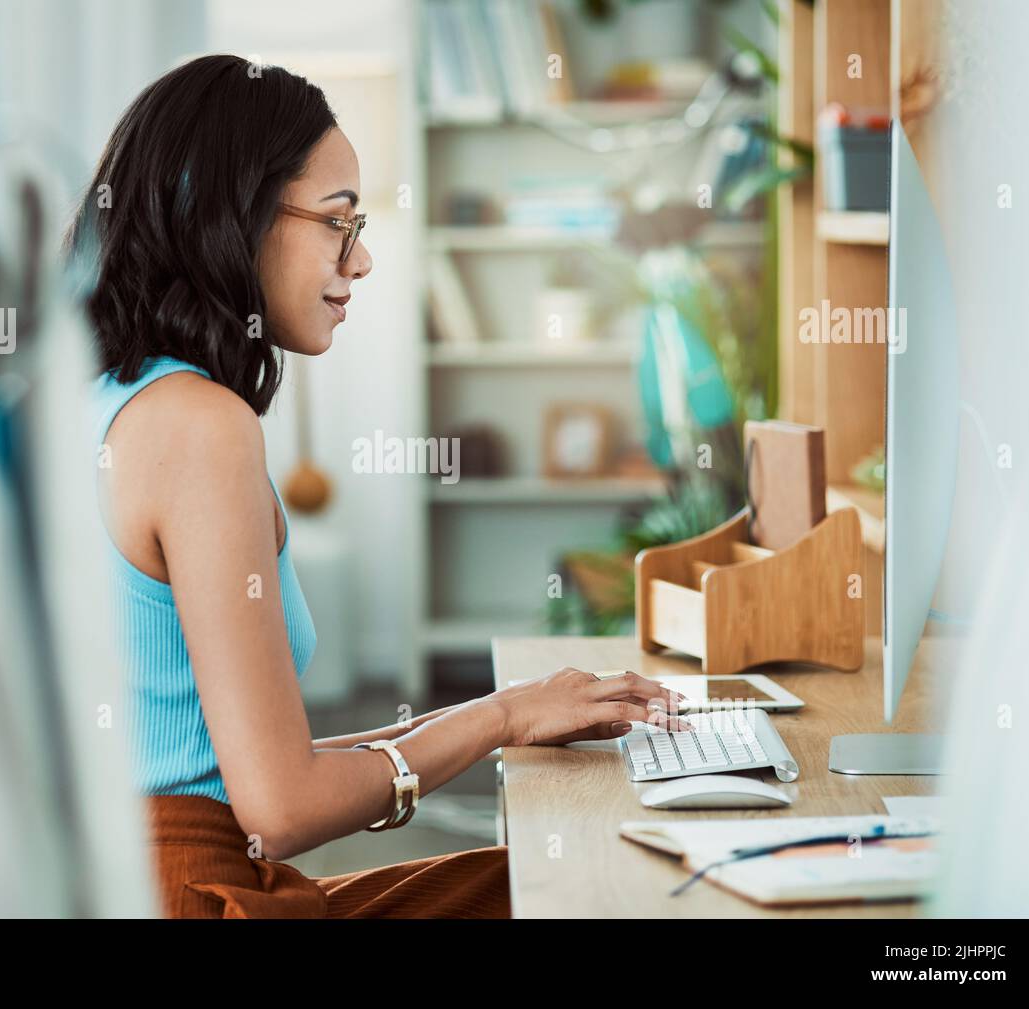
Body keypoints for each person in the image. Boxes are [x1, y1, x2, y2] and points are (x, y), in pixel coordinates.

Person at [67, 53, 689, 919]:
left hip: (146, 880)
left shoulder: (106, 398)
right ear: (231, 215)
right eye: (337, 222)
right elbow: (281, 807)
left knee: (547, 879)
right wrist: (503, 719)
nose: (359, 263)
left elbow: (248, 766)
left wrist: (504, 709)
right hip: (192, 893)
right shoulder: (196, 425)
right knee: (595, 888)